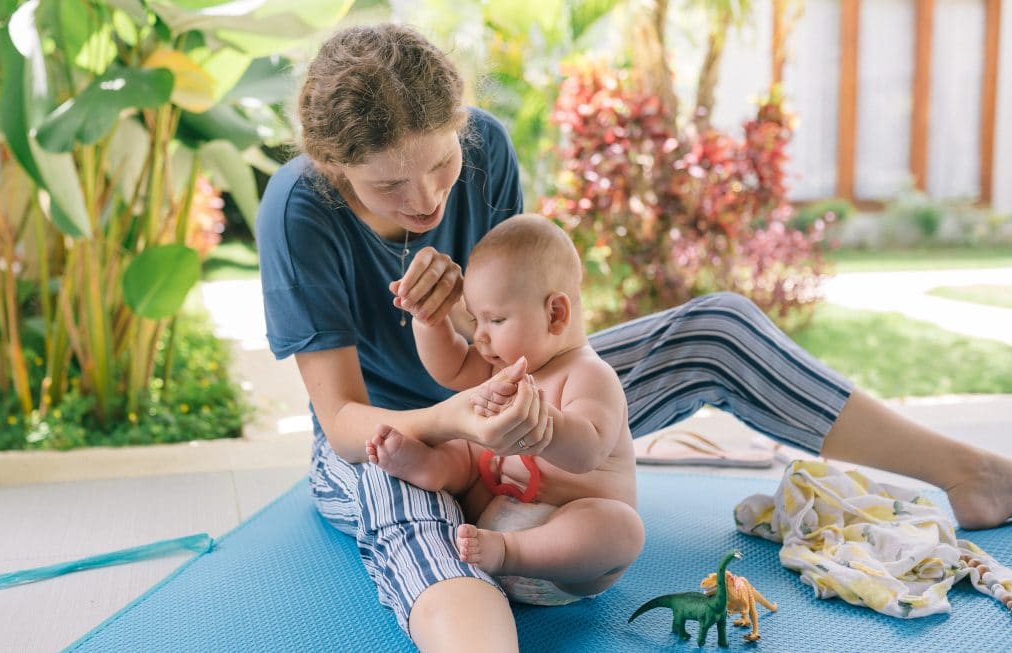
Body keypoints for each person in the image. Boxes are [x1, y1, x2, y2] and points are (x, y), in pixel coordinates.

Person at [257, 22, 1012, 652]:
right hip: (394, 436)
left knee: (716, 326)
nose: (424, 198)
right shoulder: (299, 209)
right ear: (333, 168)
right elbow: (344, 424)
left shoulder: (485, 148)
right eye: (390, 185)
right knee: (421, 514)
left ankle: (969, 474)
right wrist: (456, 421)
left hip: (507, 397)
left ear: (461, 131)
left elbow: (513, 328)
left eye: (441, 165)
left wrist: (480, 346)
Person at [365, 213, 644, 606]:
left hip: (563, 557)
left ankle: (510, 551)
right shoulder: (498, 364)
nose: (479, 335)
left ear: (555, 314)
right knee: (468, 446)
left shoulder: (588, 375)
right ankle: (430, 467)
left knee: (622, 530)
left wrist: (543, 426)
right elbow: (452, 367)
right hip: (486, 523)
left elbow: (589, 451)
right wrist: (430, 321)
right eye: (475, 318)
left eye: (495, 319)